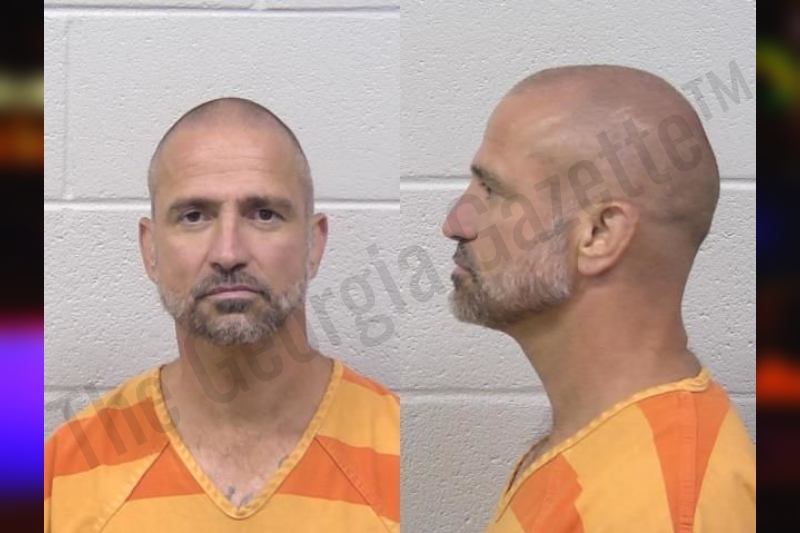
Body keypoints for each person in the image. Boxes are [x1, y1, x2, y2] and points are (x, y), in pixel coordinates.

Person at [44, 98, 400, 532]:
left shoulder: (398, 448)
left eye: (264, 214)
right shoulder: (64, 471)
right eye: (194, 216)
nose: (229, 252)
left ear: (315, 244)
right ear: (150, 250)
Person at [442, 66, 755, 532]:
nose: (455, 223)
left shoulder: (663, 508)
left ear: (599, 234)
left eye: (492, 190)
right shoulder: (603, 443)